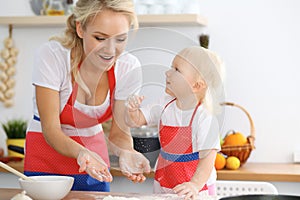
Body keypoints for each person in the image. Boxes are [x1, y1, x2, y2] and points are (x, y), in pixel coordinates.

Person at [24, 0, 151, 192]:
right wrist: (82, 152)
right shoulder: (53, 56)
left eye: (120, 39)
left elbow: (118, 134)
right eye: (100, 38)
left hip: (95, 164)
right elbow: (51, 130)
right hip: (45, 160)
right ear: (80, 28)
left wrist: (126, 152)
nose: (110, 50)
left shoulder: (128, 68)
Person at [125, 46, 225, 199]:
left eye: (177, 70)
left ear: (197, 85)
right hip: (164, 183)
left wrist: (194, 185)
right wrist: (132, 111)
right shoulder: (164, 104)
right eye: (171, 67)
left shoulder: (204, 117)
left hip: (196, 190)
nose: (168, 72)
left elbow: (208, 159)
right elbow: (137, 120)